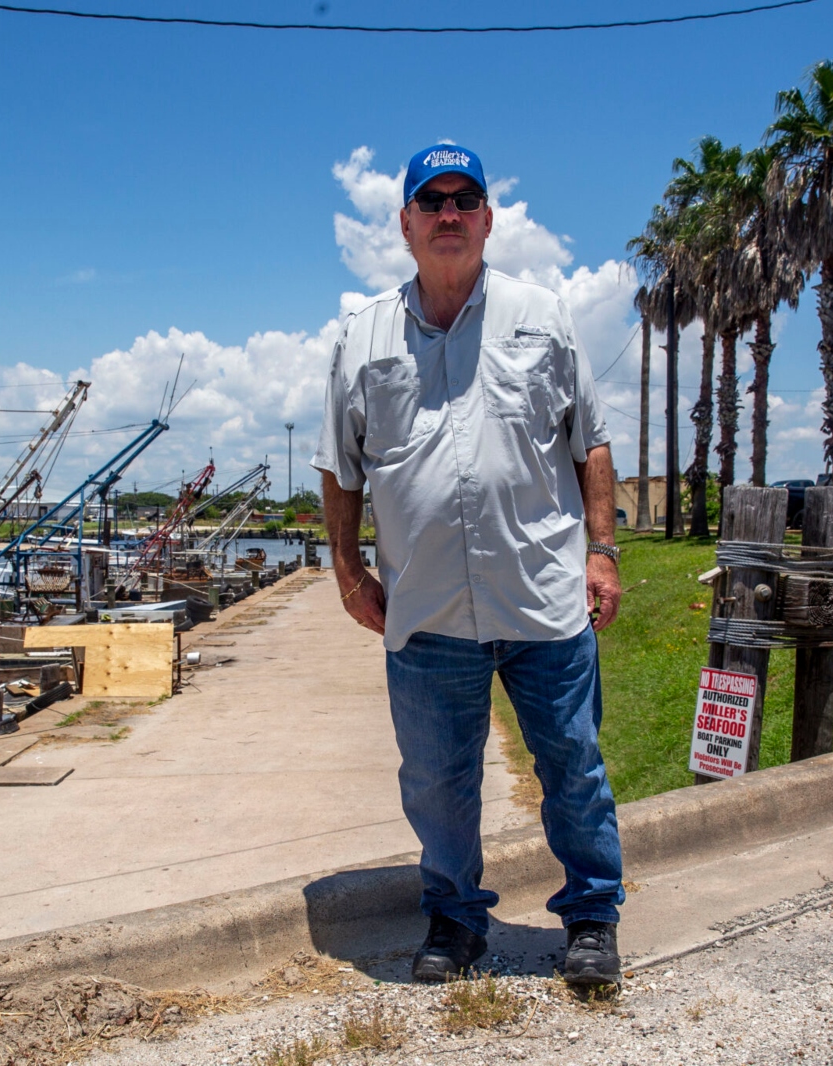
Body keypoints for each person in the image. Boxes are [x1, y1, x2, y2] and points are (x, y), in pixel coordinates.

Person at [311, 143, 625, 986]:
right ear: (406, 222)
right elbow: (341, 468)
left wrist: (602, 552)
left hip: (544, 599)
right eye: (432, 200)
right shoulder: (361, 334)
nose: (449, 214)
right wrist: (347, 572)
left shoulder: (543, 316)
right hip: (426, 611)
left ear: (488, 218)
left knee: (573, 766)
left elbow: (590, 441)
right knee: (439, 786)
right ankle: (454, 924)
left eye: (465, 199)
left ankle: (593, 918)